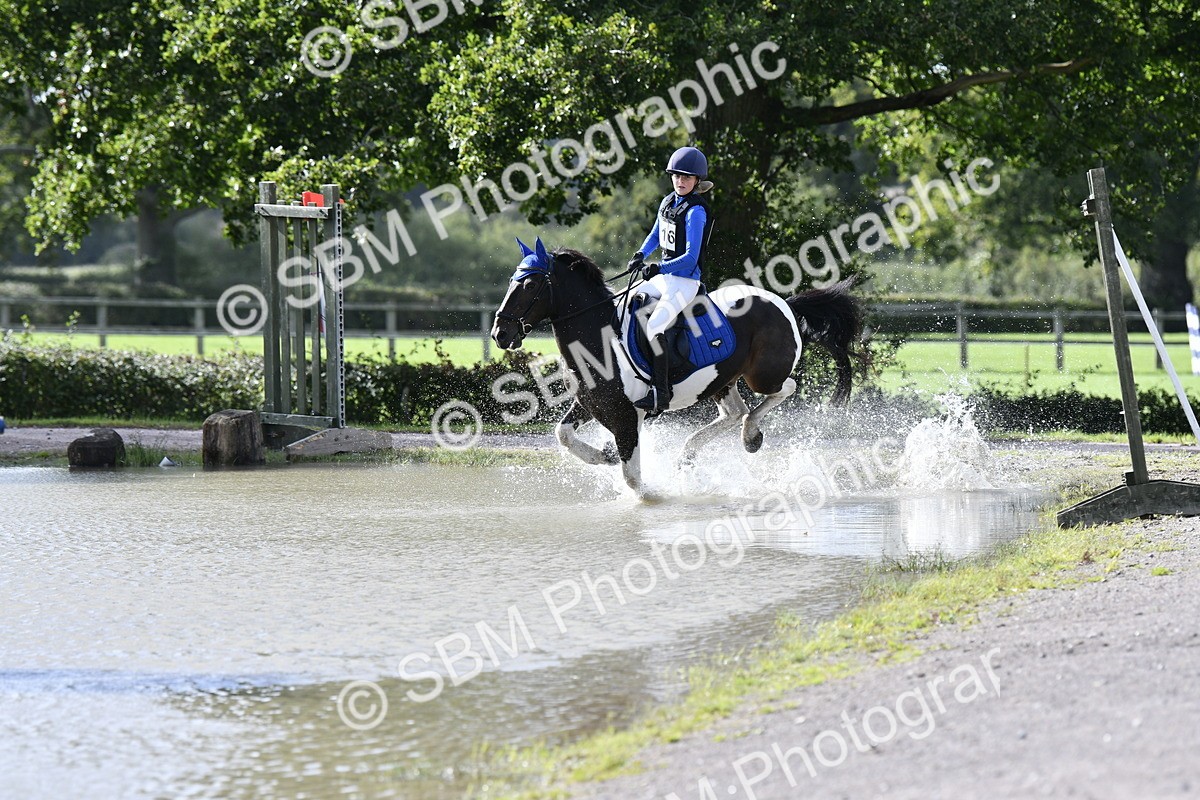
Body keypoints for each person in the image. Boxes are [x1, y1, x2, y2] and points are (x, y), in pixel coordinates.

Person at [628, 145, 715, 414]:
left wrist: (659, 268)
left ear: (697, 181)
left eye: (686, 177)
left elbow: (691, 257)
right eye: (676, 176)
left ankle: (661, 392)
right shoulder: (669, 201)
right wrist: (641, 254)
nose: (680, 181)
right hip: (665, 277)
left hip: (684, 282)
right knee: (628, 301)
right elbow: (656, 234)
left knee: (654, 326)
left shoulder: (696, 212)